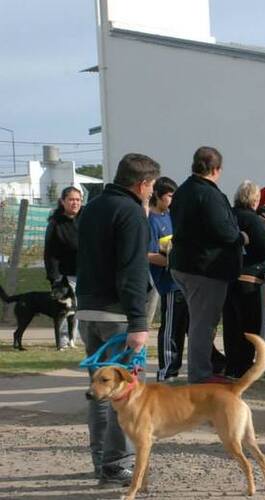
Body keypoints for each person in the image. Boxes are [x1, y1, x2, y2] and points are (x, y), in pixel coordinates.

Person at [77, 153, 160, 485]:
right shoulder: (131, 213)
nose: (151, 193)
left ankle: (102, 461)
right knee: (124, 395)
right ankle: (116, 463)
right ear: (141, 184)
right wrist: (139, 323)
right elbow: (133, 269)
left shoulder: (92, 207)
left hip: (87, 309)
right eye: (151, 186)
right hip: (117, 314)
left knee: (99, 391)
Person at [170, 146, 248, 384]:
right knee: (203, 325)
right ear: (216, 169)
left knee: (199, 321)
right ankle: (200, 376)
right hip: (205, 268)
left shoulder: (182, 191)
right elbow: (223, 231)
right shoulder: (208, 194)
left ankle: (203, 370)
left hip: (183, 264)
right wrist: (241, 237)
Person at [223, 180, 265, 378]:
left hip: (228, 278)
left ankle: (232, 367)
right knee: (249, 326)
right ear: (255, 200)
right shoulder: (252, 220)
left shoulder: (228, 216)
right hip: (250, 279)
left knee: (231, 326)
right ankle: (244, 367)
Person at [147, 177, 188, 382]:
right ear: (157, 195)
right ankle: (167, 372)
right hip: (169, 283)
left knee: (188, 326)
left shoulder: (172, 216)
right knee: (171, 328)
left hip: (184, 281)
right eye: (170, 196)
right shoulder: (151, 222)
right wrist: (172, 261)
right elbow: (148, 254)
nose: (173, 200)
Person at [44, 186, 82, 348]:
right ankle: (63, 340)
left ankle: (75, 338)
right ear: (63, 201)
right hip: (65, 275)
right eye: (71, 199)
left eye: (78, 200)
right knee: (64, 310)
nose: (75, 203)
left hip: (87, 271)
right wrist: (54, 277)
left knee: (80, 307)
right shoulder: (55, 223)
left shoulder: (87, 216)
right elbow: (50, 253)